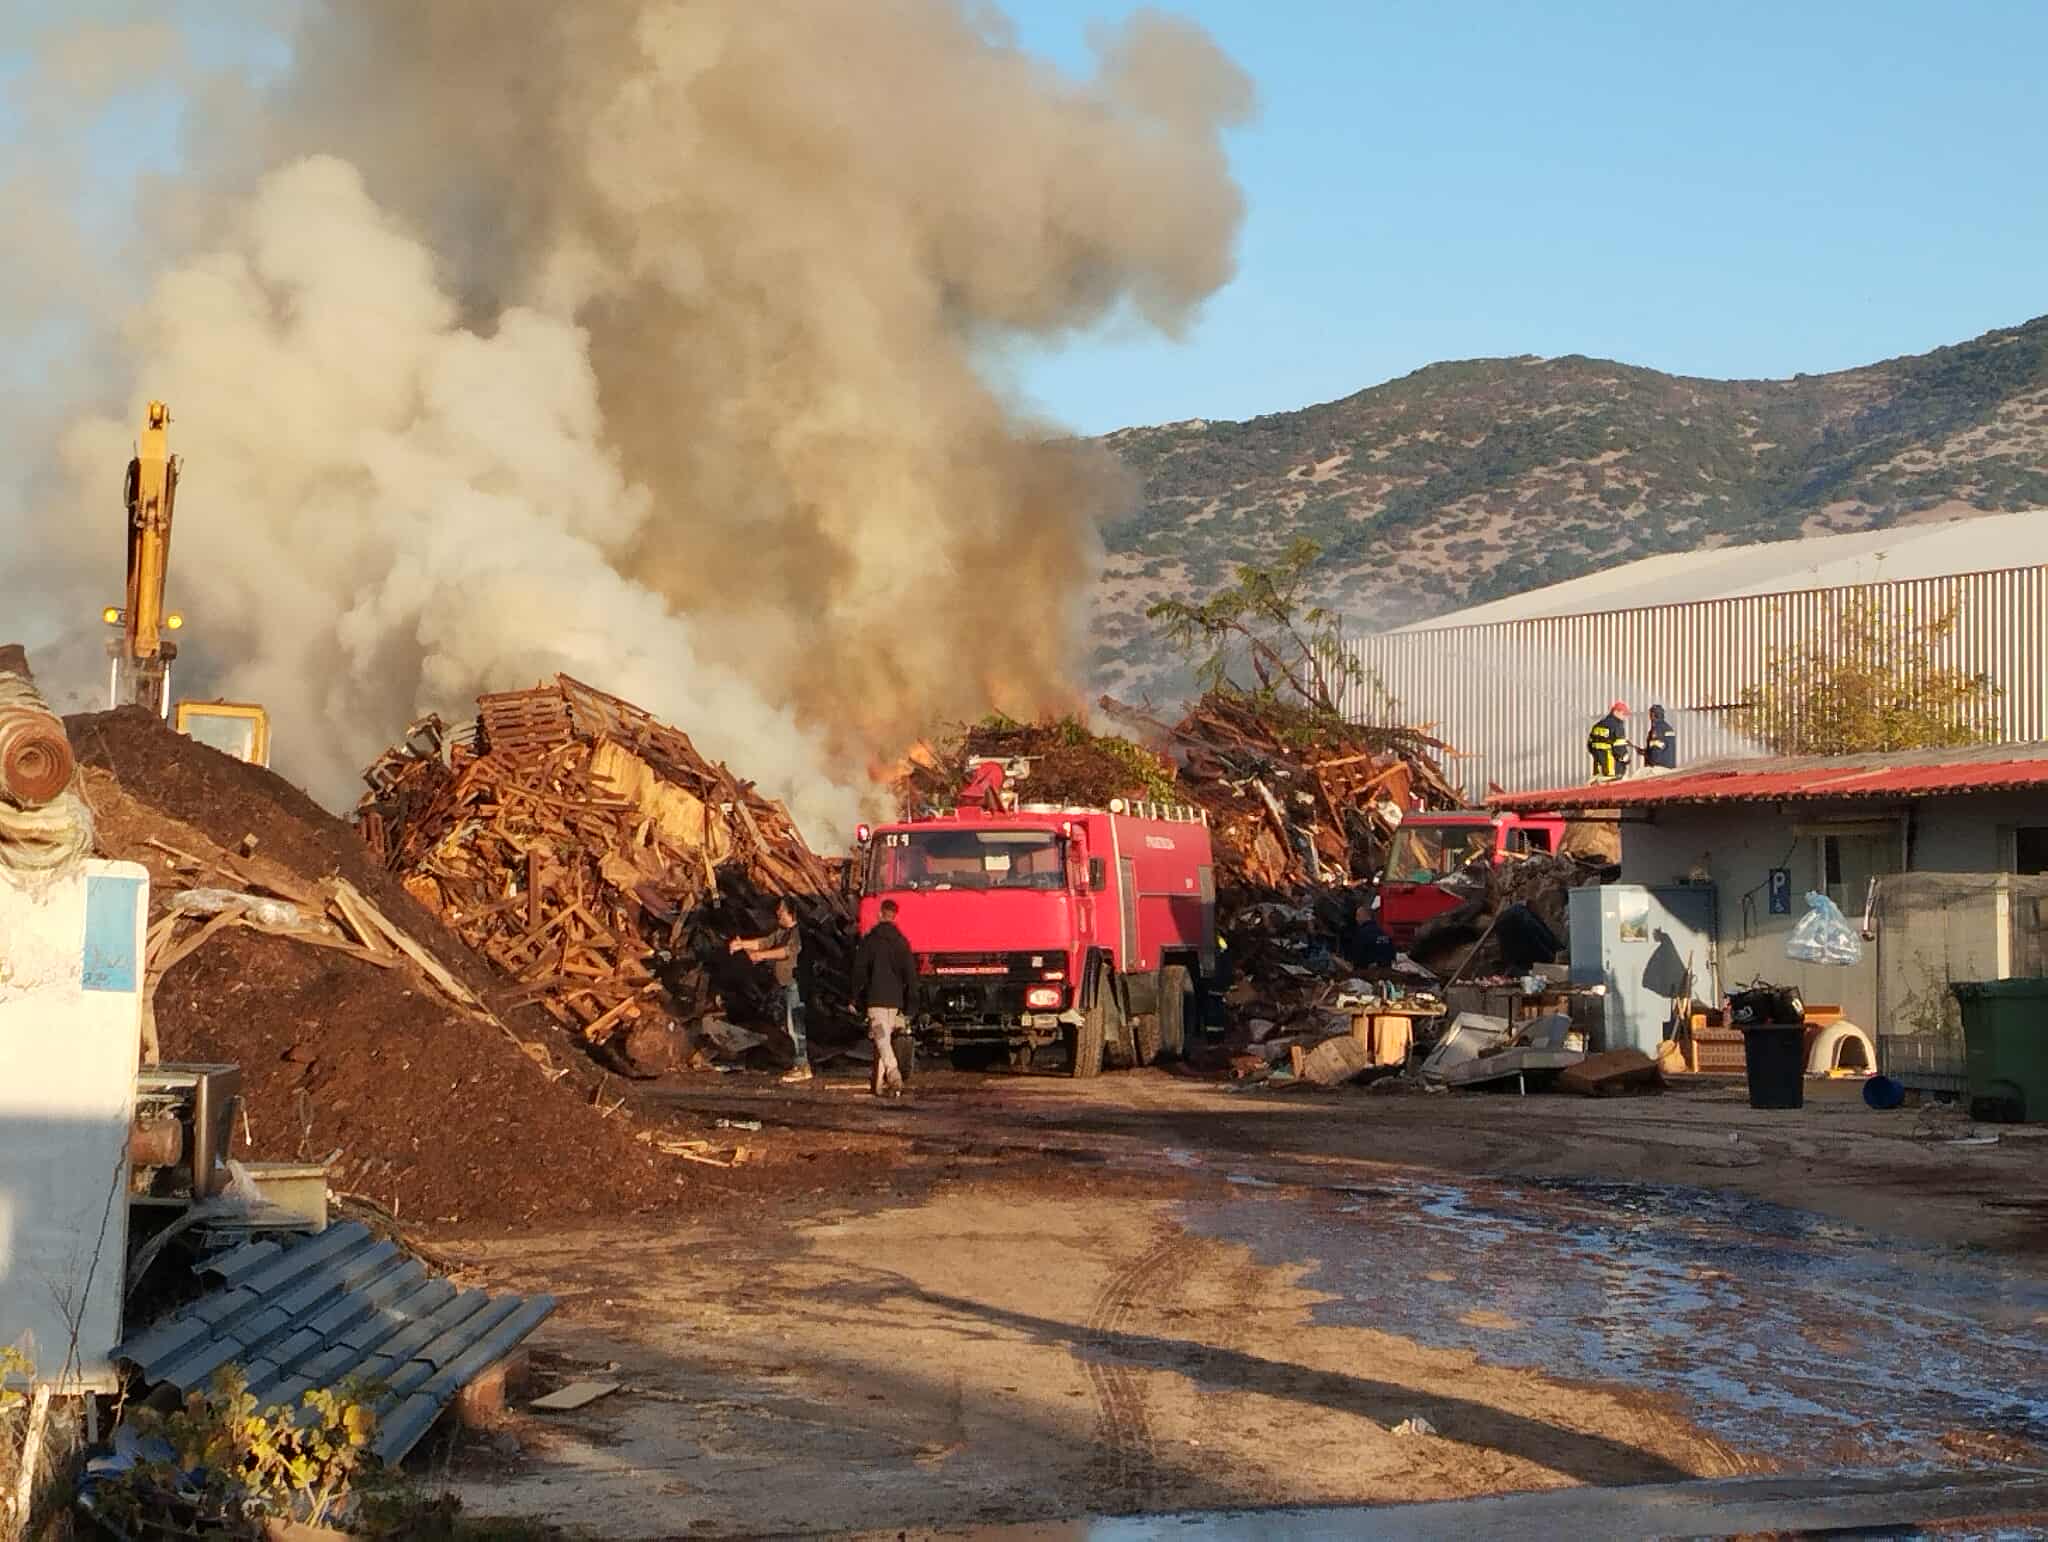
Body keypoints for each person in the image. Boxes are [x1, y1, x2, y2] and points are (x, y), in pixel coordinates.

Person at [730, 900, 808, 1083]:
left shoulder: (797, 933)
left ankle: (802, 1066)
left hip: (795, 985)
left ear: (791, 912)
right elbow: (765, 942)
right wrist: (742, 945)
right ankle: (798, 1063)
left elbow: (786, 952)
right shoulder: (782, 932)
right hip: (785, 985)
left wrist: (761, 956)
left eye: (781, 910)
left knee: (795, 1025)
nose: (777, 913)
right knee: (789, 1025)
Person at [852, 899, 916, 1097]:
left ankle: (894, 1074)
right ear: (895, 916)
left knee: (881, 1039)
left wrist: (854, 996)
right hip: (895, 1003)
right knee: (884, 1039)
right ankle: (878, 1085)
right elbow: (910, 975)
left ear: (880, 914)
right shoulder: (902, 942)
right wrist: (911, 1003)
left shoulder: (870, 941)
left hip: (875, 1001)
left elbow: (859, 971)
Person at [1587, 701, 1631, 782]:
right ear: (1616, 712)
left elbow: (1590, 745)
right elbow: (1619, 748)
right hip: (1612, 770)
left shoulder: (1598, 725)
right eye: (1623, 714)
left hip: (1598, 768)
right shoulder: (1617, 726)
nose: (1624, 717)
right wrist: (1626, 758)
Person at [1643, 704, 1679, 772]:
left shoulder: (1657, 729)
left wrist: (1652, 765)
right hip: (1670, 767)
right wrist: (1645, 751)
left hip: (1659, 768)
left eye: (1650, 714)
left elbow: (1656, 749)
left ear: (1653, 715)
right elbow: (1665, 746)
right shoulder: (1668, 728)